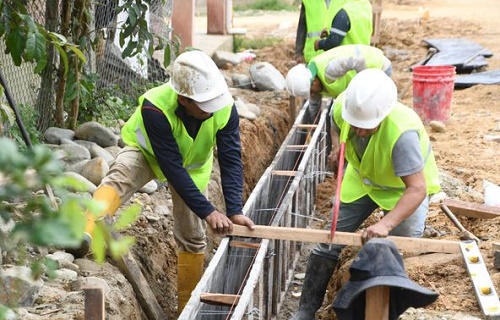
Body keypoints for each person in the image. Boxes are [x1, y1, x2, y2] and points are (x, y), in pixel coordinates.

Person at [68, 50, 256, 313]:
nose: (213, 109)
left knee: (192, 236)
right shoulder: (155, 107)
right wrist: (209, 211)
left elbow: (231, 158)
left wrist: (235, 209)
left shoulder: (224, 108)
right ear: (184, 99)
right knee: (121, 175)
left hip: (192, 170)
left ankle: (187, 310)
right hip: (148, 154)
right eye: (206, 104)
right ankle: (84, 233)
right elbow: (171, 168)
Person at [291, 68, 441, 320]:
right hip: (361, 181)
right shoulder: (344, 106)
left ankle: (387, 310)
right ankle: (305, 310)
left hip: (400, 190)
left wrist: (386, 223)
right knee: (328, 242)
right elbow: (335, 121)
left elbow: (417, 189)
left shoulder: (401, 134)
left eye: (366, 127)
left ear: (382, 116)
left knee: (396, 249)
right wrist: (336, 143)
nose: (359, 132)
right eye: (356, 125)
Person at [295, 0, 373, 64]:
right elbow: (302, 25)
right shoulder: (308, 1)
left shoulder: (346, 3)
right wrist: (298, 52)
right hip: (313, 56)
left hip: (335, 59)